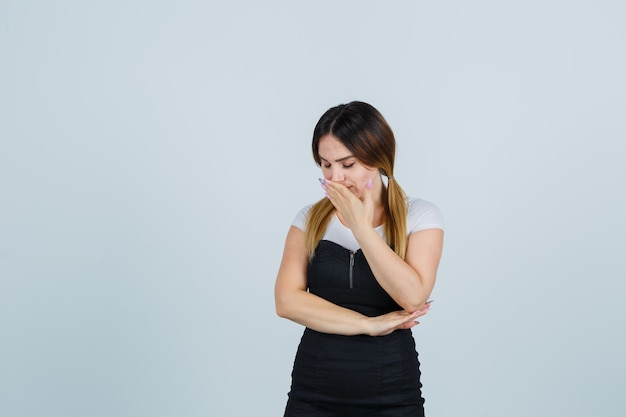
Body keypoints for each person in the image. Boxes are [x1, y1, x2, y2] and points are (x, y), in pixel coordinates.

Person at [274, 101, 444, 417]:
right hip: (314, 389)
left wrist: (362, 228)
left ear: (378, 159)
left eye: (347, 164)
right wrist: (367, 324)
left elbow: (411, 296)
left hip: (391, 390)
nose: (335, 178)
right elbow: (286, 302)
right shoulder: (309, 219)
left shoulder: (419, 216)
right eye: (325, 165)